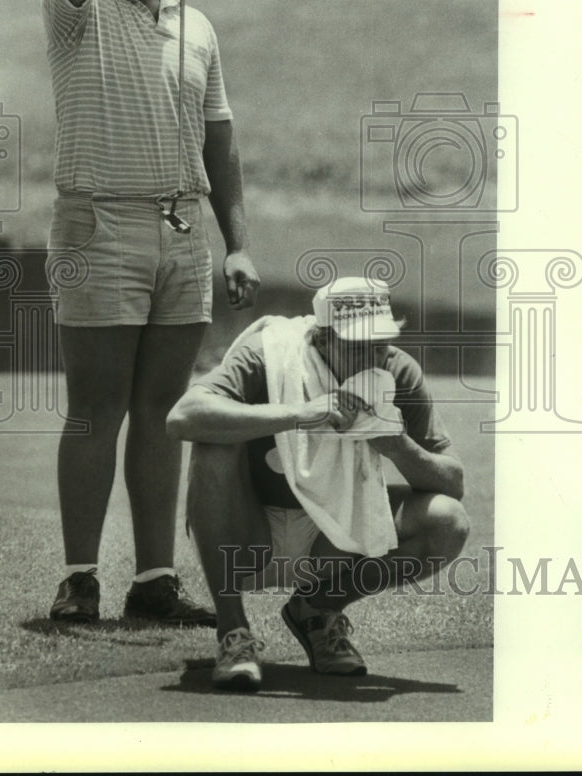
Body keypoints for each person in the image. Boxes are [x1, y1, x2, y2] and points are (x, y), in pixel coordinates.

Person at [40, 0, 260, 625]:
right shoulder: (73, 5)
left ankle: (155, 579)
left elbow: (221, 141)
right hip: (99, 227)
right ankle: (78, 578)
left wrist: (236, 241)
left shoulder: (194, 26)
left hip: (181, 236)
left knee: (163, 407)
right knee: (96, 404)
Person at [167, 276, 470, 691]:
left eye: (379, 343)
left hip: (335, 542)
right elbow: (183, 417)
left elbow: (453, 483)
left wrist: (398, 446)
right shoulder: (269, 355)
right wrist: (300, 413)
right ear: (322, 339)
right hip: (247, 538)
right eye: (357, 345)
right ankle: (233, 632)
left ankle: (316, 610)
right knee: (213, 443)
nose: (372, 358)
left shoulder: (398, 371)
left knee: (447, 521)